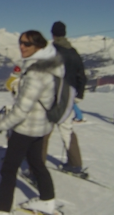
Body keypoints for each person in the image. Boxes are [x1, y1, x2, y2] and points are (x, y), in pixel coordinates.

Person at [0, 30, 64, 215]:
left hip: (26, 128)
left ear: (38, 46)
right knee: (37, 163)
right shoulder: (49, 65)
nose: (22, 46)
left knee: (8, 170)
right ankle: (47, 201)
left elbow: (21, 110)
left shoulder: (37, 72)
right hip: (42, 126)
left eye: (27, 44)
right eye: (21, 42)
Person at [45, 21, 87, 172]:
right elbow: (81, 75)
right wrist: (78, 95)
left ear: (53, 34)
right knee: (67, 130)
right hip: (68, 97)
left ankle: (36, 167)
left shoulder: (50, 51)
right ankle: (75, 164)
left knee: (43, 130)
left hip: (51, 96)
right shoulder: (73, 52)